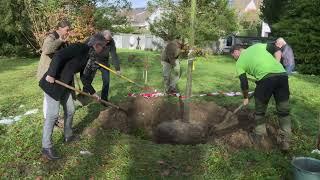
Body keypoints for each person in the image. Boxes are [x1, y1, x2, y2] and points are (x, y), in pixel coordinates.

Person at [39, 34, 106, 160]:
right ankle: (46, 147)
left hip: (66, 85)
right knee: (52, 115)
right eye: (102, 47)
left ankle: (68, 136)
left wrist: (93, 93)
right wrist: (52, 74)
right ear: (97, 45)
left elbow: (84, 77)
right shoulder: (78, 47)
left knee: (70, 109)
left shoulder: (89, 55)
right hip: (53, 83)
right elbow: (59, 55)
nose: (103, 50)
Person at [230, 43, 291, 151]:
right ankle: (285, 141)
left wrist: (245, 98)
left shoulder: (239, 62)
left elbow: (244, 82)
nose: (234, 58)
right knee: (284, 111)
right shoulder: (257, 46)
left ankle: (259, 137)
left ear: (236, 51)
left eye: (233, 56)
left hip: (265, 80)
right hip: (282, 75)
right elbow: (276, 48)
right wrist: (276, 64)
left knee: (259, 111)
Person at [36, 20, 71, 126]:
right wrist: (60, 40)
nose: (68, 32)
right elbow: (46, 50)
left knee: (54, 95)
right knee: (48, 95)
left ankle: (54, 118)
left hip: (55, 72)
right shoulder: (51, 37)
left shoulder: (64, 39)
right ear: (60, 28)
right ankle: (49, 119)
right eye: (66, 30)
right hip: (46, 73)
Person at [81, 30, 121, 102]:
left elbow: (114, 54)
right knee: (88, 79)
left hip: (104, 63)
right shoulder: (94, 38)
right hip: (93, 61)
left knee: (106, 81)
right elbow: (84, 47)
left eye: (109, 40)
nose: (107, 42)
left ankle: (104, 100)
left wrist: (117, 69)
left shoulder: (111, 42)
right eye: (106, 40)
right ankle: (84, 96)